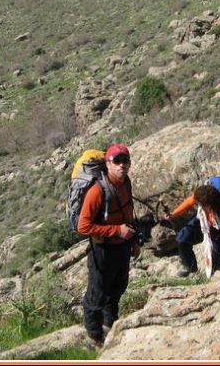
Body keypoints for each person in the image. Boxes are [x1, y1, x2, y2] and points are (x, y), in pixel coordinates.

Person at [76, 143, 139, 347]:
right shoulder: (97, 191)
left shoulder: (126, 182)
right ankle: (94, 337)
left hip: (122, 247)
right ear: (108, 164)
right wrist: (115, 231)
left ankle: (109, 325)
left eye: (125, 161)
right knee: (97, 294)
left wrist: (133, 240)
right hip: (102, 250)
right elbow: (83, 226)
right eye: (116, 161)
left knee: (118, 287)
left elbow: (128, 213)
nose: (122, 165)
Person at [164, 184, 220, 277]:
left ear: (209, 204)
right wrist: (175, 213)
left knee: (213, 261)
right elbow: (189, 201)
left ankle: (215, 276)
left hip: (218, 230)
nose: (199, 205)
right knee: (182, 238)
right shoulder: (200, 196)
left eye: (201, 204)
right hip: (202, 221)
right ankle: (189, 267)